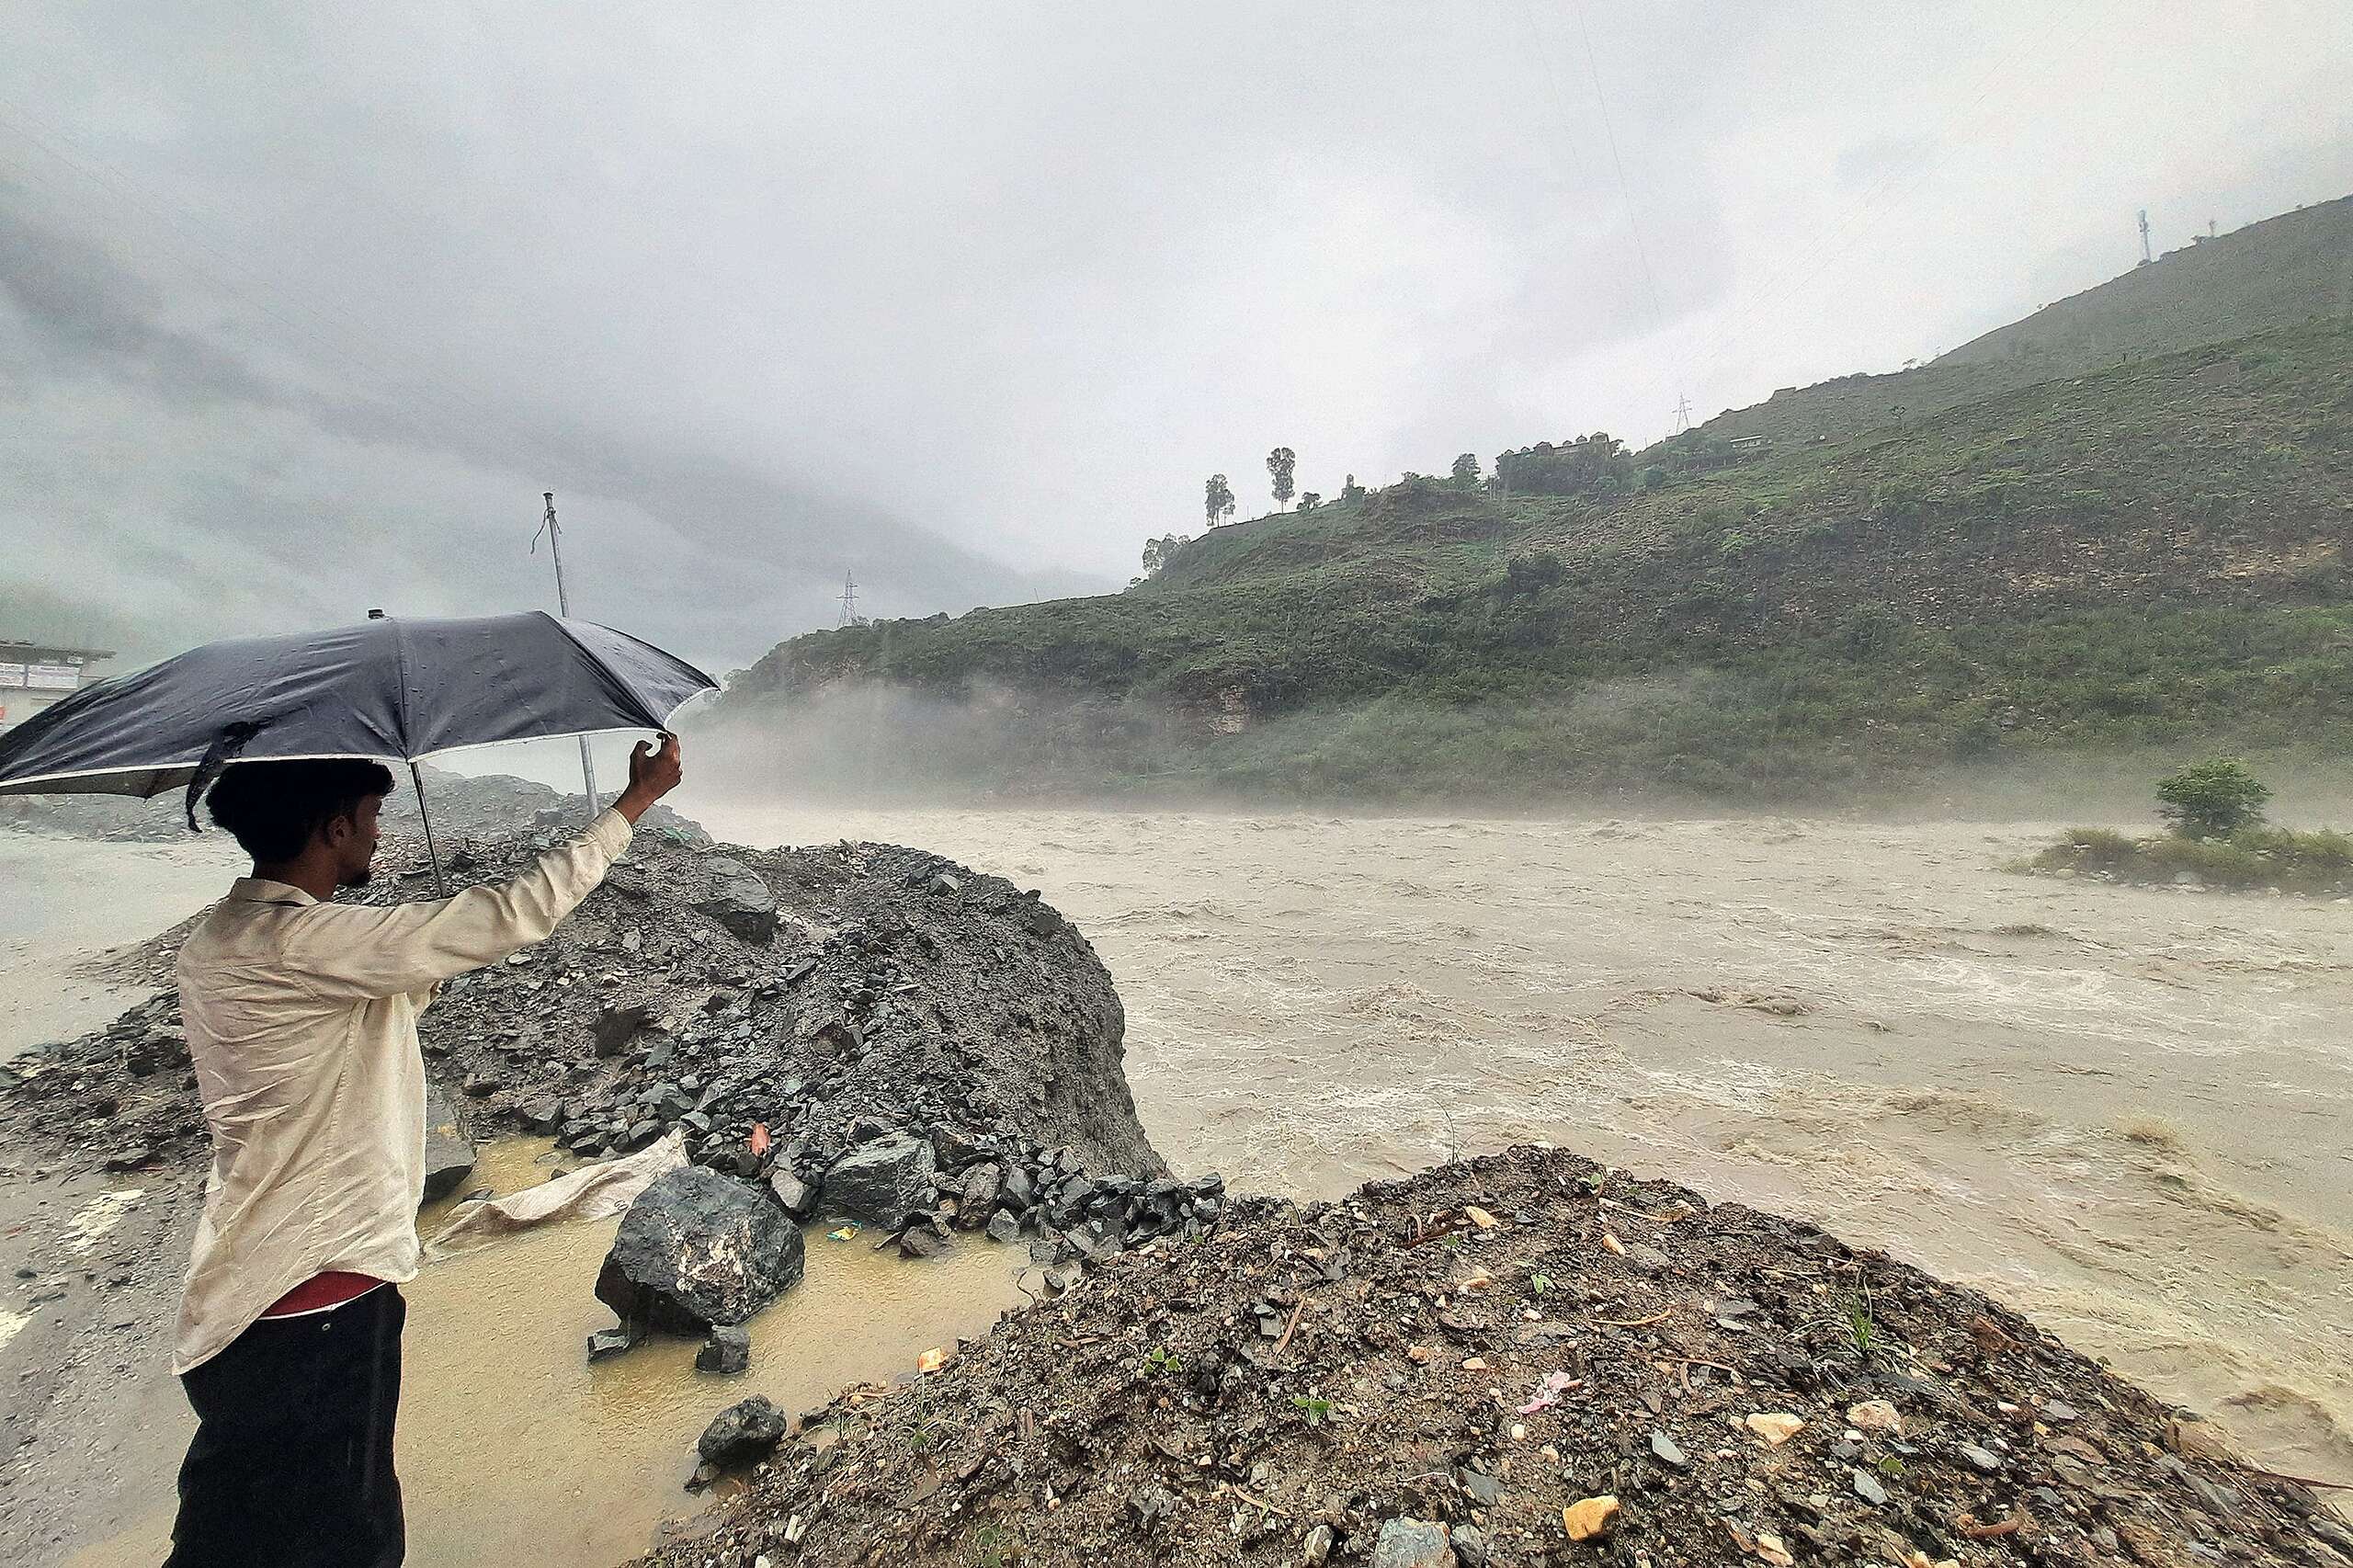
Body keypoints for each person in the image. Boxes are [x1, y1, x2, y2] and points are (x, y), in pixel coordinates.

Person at [162, 734, 685, 1568]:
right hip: (319, 1295)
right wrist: (634, 804)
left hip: (237, 1293)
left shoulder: (220, 943)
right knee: (348, 1539)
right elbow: (514, 912)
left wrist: (424, 961)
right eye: (370, 819)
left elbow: (357, 1007)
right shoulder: (313, 946)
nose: (378, 836)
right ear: (331, 829)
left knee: (231, 1534)